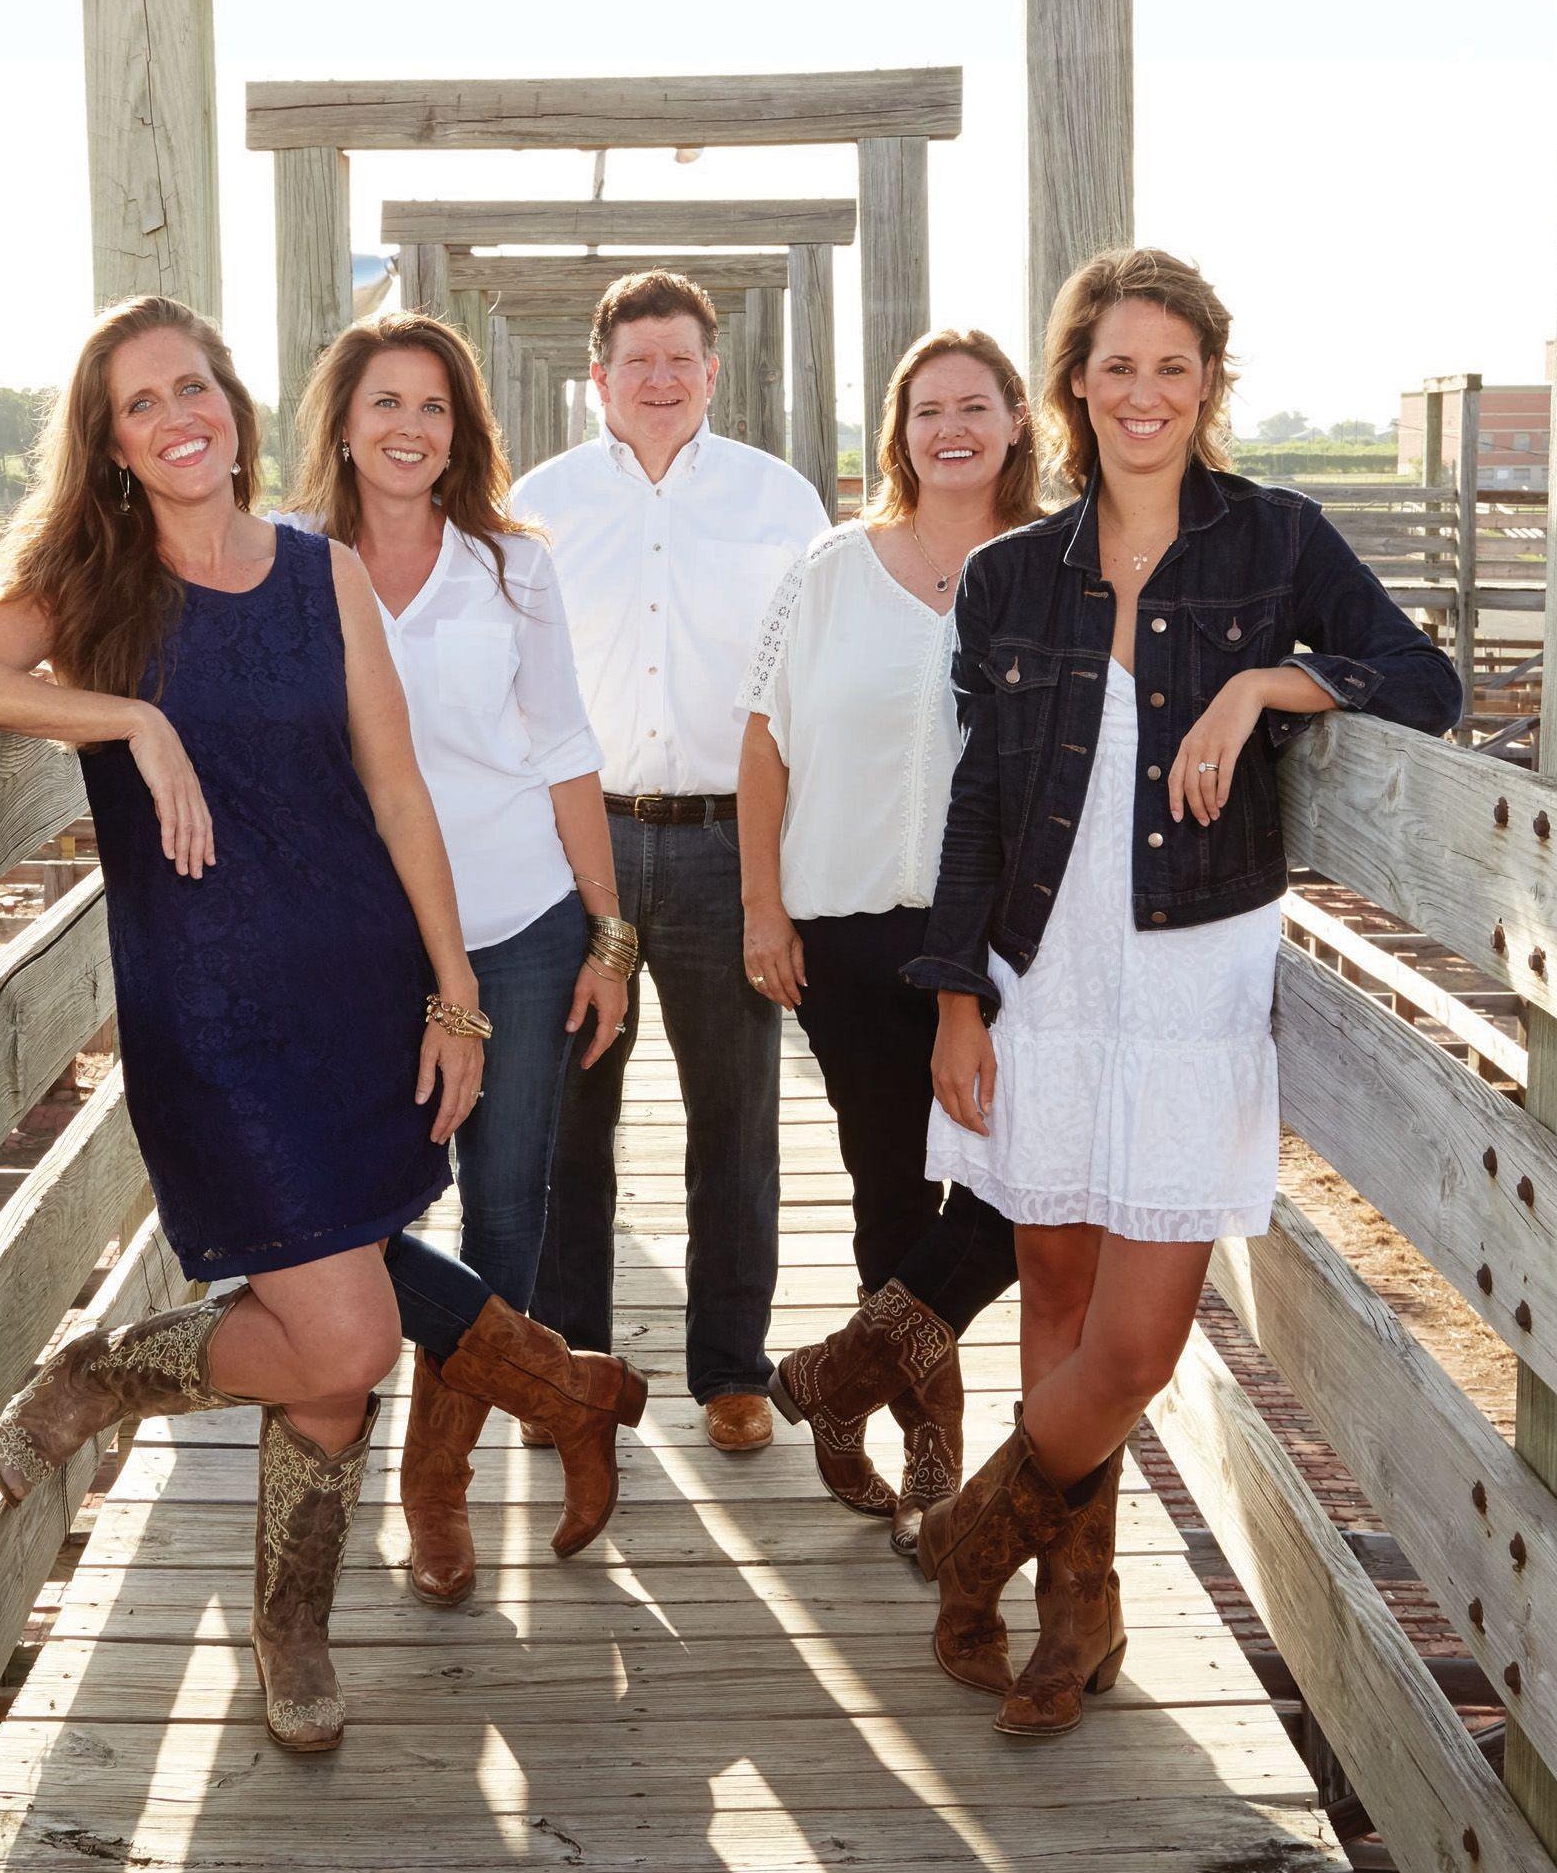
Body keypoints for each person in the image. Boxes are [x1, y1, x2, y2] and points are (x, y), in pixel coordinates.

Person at [0, 296, 646, 1754]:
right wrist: (129, 719)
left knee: (326, 1340)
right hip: (211, 1012)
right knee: (347, 1334)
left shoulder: (322, 572)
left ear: (233, 406)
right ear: (112, 446)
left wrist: (455, 994)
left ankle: (291, 1622)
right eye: (139, 404)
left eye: (193, 386)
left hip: (359, 988)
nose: (176, 416)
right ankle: (109, 1374)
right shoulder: (92, 583)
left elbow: (398, 792)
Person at [905, 250, 1460, 1737]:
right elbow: (976, 803)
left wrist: (1265, 683)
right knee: (1055, 1294)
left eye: (1172, 366)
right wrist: (957, 999)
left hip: (1191, 975)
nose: (1143, 393)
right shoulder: (1010, 575)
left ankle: (971, 1536)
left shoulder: (1276, 539)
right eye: (1116, 366)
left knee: (1138, 1342)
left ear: (1210, 380)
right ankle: (1073, 1603)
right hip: (1041, 971)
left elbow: (1423, 678)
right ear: (1074, 386)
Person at [275, 311, 632, 1610]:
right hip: (358, 944)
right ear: (342, 421)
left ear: (462, 428)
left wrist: (608, 932)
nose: (409, 427)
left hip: (521, 924)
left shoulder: (512, 564)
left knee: (507, 1209)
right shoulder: (286, 562)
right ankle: (561, 1389)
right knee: (341, 1210)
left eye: (433, 405)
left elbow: (565, 746)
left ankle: (437, 1483)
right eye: (385, 402)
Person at [515, 270, 827, 1451]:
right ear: (596, 377)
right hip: (575, 843)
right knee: (566, 1120)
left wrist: (786, 873)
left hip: (722, 842)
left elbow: (812, 679)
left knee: (734, 1117)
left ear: (712, 371)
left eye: (679, 358)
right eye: (636, 360)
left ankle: (730, 1371)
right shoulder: (537, 503)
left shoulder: (779, 500)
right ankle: (569, 1366)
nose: (659, 379)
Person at [738, 330, 1029, 1557]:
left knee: (1019, 1190)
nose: (950, 427)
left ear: (1016, 421)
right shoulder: (829, 568)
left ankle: (834, 1374)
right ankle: (932, 1458)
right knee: (891, 1191)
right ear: (897, 432)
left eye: (974, 405)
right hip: (850, 928)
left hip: (1011, 942)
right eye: (926, 409)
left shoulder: (1054, 566)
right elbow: (763, 741)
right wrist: (762, 906)